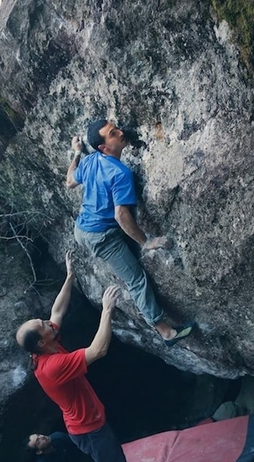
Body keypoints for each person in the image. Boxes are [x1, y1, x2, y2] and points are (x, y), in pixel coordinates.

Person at [16, 251, 161, 462]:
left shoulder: (46, 344)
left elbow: (57, 310)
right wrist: (107, 310)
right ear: (41, 344)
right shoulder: (52, 365)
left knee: (116, 461)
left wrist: (69, 276)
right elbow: (99, 349)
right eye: (43, 325)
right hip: (88, 429)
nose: (48, 322)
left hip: (90, 422)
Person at [66, 119, 194, 346]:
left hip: (82, 229)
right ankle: (166, 333)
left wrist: (77, 153)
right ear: (104, 148)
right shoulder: (120, 173)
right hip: (102, 237)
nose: (121, 133)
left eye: (116, 128)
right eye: (113, 133)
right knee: (137, 280)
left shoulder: (90, 160)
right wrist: (147, 242)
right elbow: (121, 216)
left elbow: (69, 182)